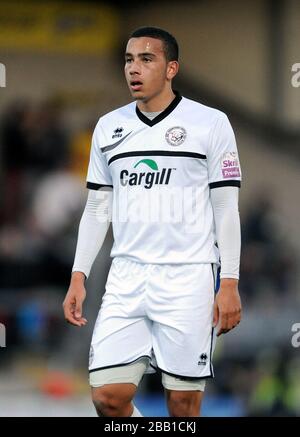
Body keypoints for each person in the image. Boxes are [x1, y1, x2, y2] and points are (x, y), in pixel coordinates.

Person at [63, 26, 242, 417]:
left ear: (171, 68)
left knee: (182, 405)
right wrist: (79, 276)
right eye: (129, 59)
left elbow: (227, 208)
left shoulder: (210, 123)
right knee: (107, 398)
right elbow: (97, 209)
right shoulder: (109, 127)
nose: (134, 68)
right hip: (126, 277)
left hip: (188, 278)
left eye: (146, 59)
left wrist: (229, 282)